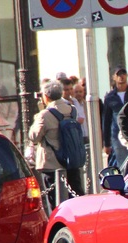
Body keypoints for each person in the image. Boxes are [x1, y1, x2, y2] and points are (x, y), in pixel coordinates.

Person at [28, 80, 85, 210]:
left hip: (52, 163)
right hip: (72, 160)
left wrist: (38, 117)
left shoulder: (44, 115)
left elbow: (34, 137)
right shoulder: (72, 110)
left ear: (46, 96)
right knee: (75, 197)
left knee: (55, 203)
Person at [102, 67, 128, 167]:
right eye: (118, 74)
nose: (121, 76)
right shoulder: (109, 97)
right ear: (114, 77)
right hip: (117, 134)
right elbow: (106, 120)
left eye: (123, 73)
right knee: (122, 163)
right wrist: (106, 143)